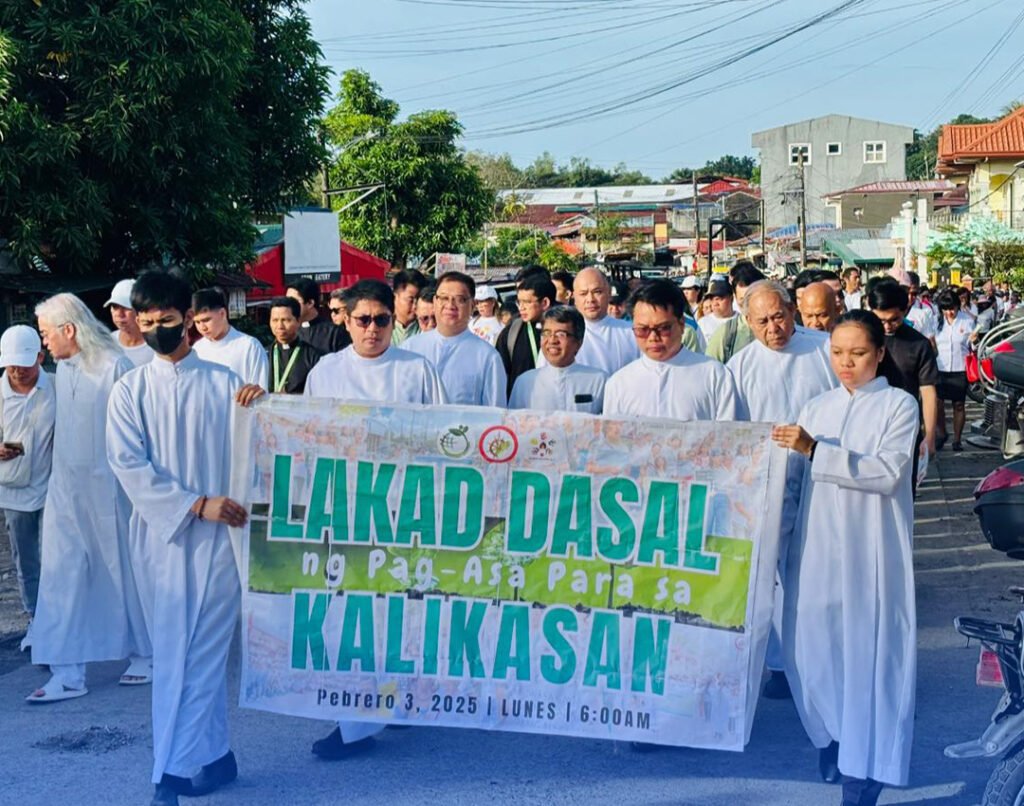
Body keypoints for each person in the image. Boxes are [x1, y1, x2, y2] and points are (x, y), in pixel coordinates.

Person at [106, 271, 248, 806]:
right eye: (146, 323)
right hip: (159, 538)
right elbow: (127, 464)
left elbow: (257, 448)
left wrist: (260, 409)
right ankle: (216, 757)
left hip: (221, 541)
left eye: (166, 320)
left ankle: (167, 773)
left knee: (202, 654)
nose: (156, 330)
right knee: (172, 653)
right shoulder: (129, 390)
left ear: (188, 317)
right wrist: (192, 503)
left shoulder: (225, 384)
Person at [772, 310, 918, 806]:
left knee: (867, 658)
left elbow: (887, 473)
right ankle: (831, 737)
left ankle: (863, 771)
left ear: (880, 353)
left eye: (857, 353)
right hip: (814, 549)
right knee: (811, 652)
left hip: (870, 552)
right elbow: (792, 485)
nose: (846, 363)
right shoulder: (817, 407)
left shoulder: (898, 406)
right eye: (837, 353)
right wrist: (773, 542)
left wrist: (817, 450)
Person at [303, 278, 444, 760]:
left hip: (405, 509)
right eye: (362, 319)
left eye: (382, 319)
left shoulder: (416, 369)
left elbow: (445, 437)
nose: (372, 329)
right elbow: (308, 436)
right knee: (349, 616)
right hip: (346, 508)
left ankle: (401, 701)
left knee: (402, 612)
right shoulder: (326, 371)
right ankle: (354, 723)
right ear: (344, 320)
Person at [30, 294, 149, 701]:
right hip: (65, 491)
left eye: (47, 333)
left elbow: (134, 431)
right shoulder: (62, 369)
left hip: (109, 490)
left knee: (122, 571)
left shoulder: (114, 365)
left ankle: (145, 653)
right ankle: (66, 672)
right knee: (60, 576)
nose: (44, 342)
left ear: (69, 329)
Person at [726, 280, 837, 700]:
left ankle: (822, 658)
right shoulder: (740, 366)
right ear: (747, 322)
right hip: (768, 480)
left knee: (818, 570)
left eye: (779, 316)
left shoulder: (824, 349)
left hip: (821, 471)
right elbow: (735, 430)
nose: (773, 328)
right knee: (771, 575)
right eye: (762, 321)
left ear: (793, 311)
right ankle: (779, 664)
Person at [604, 280, 738, 420]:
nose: (653, 337)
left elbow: (729, 430)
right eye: (643, 329)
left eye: (663, 328)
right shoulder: (619, 384)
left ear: (681, 324)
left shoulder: (715, 375)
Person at [0, 326, 55, 643]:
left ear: (40, 357)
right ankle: (36, 619)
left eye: (23, 364)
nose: (17, 372)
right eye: (11, 366)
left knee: (56, 558)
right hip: (13, 490)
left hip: (52, 488)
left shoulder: (56, 387)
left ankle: (59, 620)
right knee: (27, 561)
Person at [867, 280, 940, 475]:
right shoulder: (863, 339)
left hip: (905, 425)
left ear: (905, 311)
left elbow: (928, 391)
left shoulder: (919, 344)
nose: (887, 326)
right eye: (881, 320)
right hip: (867, 422)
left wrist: (930, 436)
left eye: (894, 319)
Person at [404, 272, 507, 407]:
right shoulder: (409, 349)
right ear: (435, 302)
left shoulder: (488, 357)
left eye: (460, 299)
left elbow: (495, 413)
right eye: (444, 298)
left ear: (472, 305)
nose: (450, 305)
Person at [508, 306, 607, 414]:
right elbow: (513, 422)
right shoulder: (525, 382)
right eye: (546, 333)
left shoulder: (598, 381)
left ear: (578, 342)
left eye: (561, 334)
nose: (552, 340)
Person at [570, 268, 641, 376]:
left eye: (597, 292)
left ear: (609, 293)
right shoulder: (562, 334)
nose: (590, 299)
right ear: (574, 297)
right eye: (583, 294)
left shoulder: (631, 332)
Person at [191, 288, 269, 386]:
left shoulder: (250, 347)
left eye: (206, 320)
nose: (202, 327)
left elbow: (259, 390)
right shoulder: (197, 350)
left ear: (222, 313)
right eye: (197, 322)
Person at [496, 273, 556, 397]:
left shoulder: (569, 330)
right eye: (519, 302)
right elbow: (500, 375)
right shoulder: (512, 332)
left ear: (545, 302)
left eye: (527, 302)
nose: (521, 308)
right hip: (523, 402)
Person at [934, 288, 974, 451]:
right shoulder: (936, 321)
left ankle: (957, 439)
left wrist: (974, 340)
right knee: (938, 403)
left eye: (952, 309)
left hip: (959, 368)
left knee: (958, 404)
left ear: (958, 306)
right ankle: (941, 433)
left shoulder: (967, 321)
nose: (949, 313)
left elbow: (972, 346)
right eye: (945, 309)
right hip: (940, 367)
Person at [705, 264, 767, 363]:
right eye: (742, 300)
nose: (748, 305)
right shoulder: (725, 334)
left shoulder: (782, 328)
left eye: (752, 298)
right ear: (735, 297)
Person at [266, 296, 324, 395]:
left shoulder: (312, 356)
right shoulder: (264, 354)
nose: (280, 326)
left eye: (286, 320)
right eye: (275, 320)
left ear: (298, 321)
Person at [286, 277, 349, 354]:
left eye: (294, 301)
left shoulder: (335, 333)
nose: (288, 306)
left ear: (310, 303)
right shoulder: (289, 332)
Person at [105, 278, 155, 367]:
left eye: (126, 307)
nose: (119, 314)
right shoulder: (107, 342)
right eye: (115, 307)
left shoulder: (158, 347)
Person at [390, 269, 428, 345]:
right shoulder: (383, 327)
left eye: (418, 300)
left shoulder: (426, 327)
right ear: (394, 297)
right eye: (410, 300)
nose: (415, 306)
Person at [697, 276, 739, 343]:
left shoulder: (743, 321)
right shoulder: (702, 323)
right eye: (712, 299)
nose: (715, 303)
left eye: (719, 299)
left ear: (731, 298)